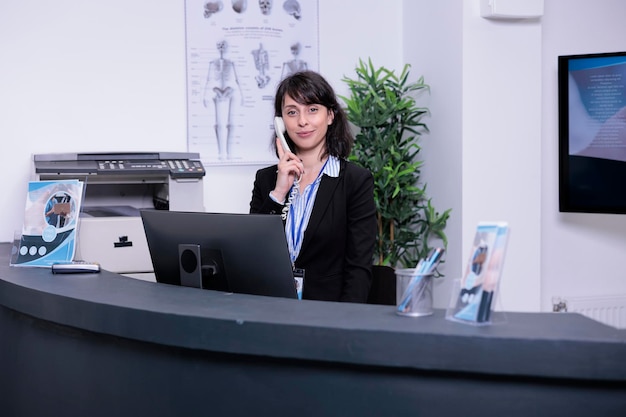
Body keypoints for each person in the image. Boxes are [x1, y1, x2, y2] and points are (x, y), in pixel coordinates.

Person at [249, 70, 377, 303]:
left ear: (330, 115)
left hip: (327, 314)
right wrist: (278, 193)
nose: (302, 121)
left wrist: (343, 325)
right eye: (291, 112)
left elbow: (358, 268)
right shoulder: (266, 180)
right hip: (271, 308)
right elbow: (252, 254)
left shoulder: (355, 181)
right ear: (281, 122)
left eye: (312, 109)